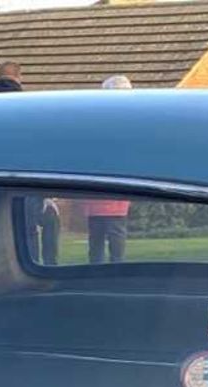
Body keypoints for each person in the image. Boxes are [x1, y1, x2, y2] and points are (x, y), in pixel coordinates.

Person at [86, 75, 133, 262]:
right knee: (113, 240)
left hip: (100, 195)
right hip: (111, 194)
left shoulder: (96, 124)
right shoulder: (126, 124)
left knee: (98, 242)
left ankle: (96, 274)